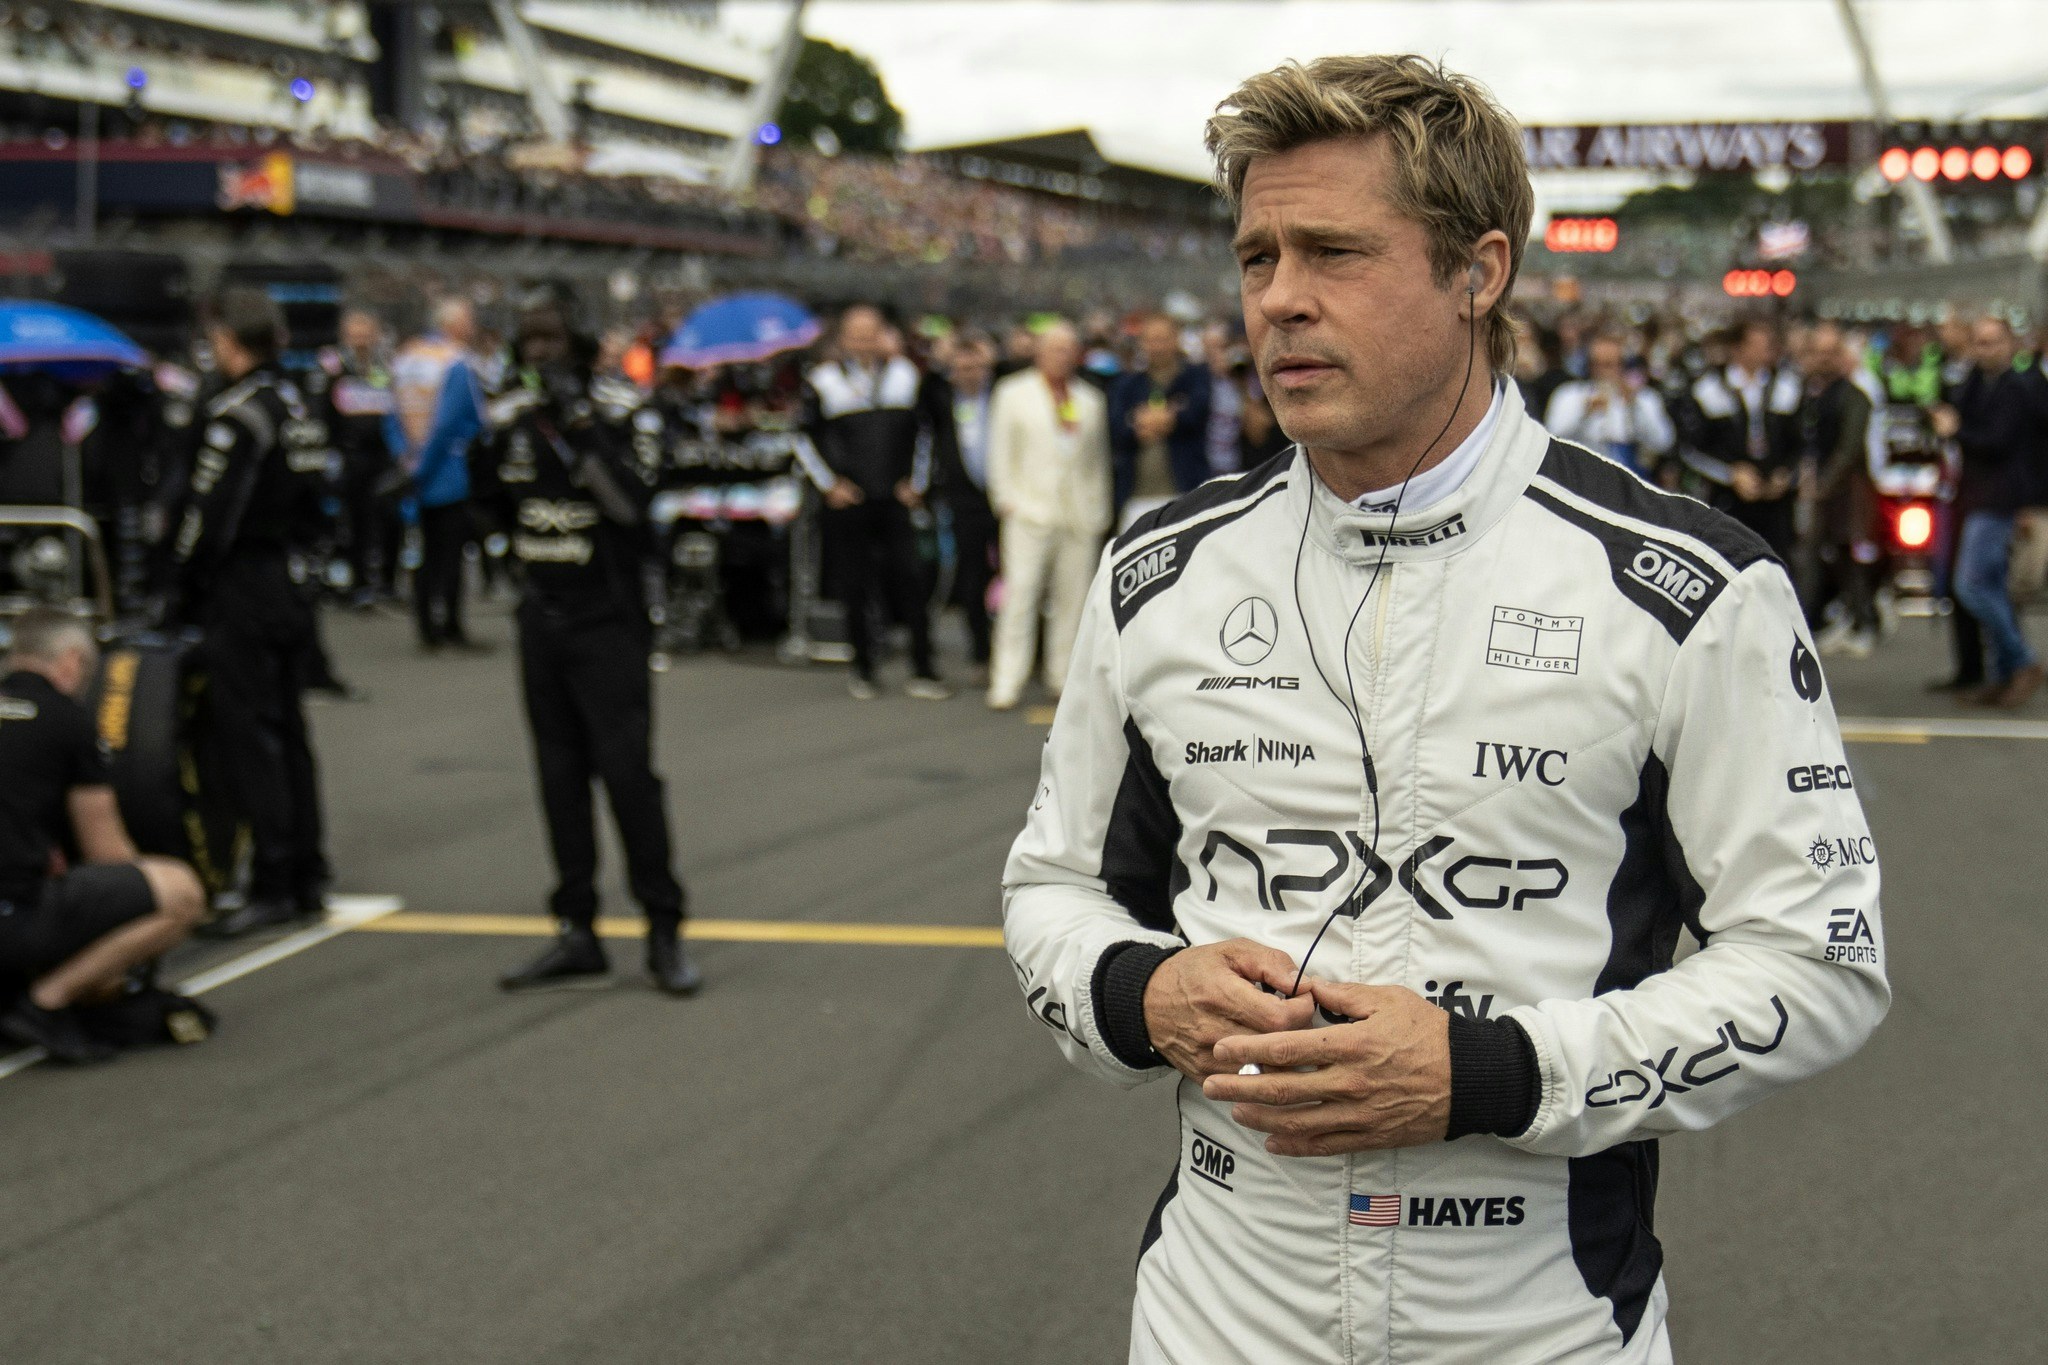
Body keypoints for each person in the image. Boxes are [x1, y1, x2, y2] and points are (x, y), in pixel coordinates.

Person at [1002, 55, 1888, 1365]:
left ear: (1479, 273)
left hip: (1539, 1326)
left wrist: (1491, 1073)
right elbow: (1055, 888)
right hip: (1213, 1317)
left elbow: (1819, 961)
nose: (1280, 299)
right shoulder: (1158, 575)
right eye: (1256, 259)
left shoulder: (1687, 590)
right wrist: (1143, 994)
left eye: (1334, 252)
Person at [484, 302, 700, 995]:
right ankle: (576, 928)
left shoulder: (622, 413)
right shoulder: (510, 419)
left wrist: (581, 429)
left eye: (552, 340)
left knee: (629, 777)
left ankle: (663, 928)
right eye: (530, 341)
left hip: (609, 622)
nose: (541, 353)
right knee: (558, 778)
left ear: (577, 344)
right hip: (541, 618)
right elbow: (489, 502)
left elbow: (634, 507)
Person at [163, 287, 332, 938]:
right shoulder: (299, 404)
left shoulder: (237, 416)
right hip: (292, 583)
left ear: (229, 343)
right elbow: (323, 505)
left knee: (251, 735)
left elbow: (208, 518)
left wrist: (177, 589)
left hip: (245, 587)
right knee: (290, 729)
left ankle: (274, 878)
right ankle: (307, 872)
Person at [0, 612, 206, 1063]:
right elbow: (107, 852)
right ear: (72, 662)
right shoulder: (67, 720)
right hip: (13, 918)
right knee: (179, 891)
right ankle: (45, 1003)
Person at [795, 304, 954, 701]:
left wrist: (916, 484)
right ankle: (863, 668)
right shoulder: (824, 381)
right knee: (854, 585)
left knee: (911, 580)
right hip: (850, 502)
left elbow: (926, 433)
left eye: (871, 334)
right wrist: (830, 485)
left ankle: (923, 668)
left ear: (883, 335)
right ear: (843, 339)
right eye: (856, 335)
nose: (864, 342)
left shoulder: (906, 375)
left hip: (896, 500)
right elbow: (802, 438)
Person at [985, 322, 1112, 712]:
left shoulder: (1090, 399)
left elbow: (1097, 461)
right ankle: (1007, 679)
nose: (1062, 357)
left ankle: (1062, 677)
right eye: (1055, 349)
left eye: (1069, 350)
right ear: (1039, 353)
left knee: (1072, 601)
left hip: (1078, 515)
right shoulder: (1012, 393)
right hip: (1028, 512)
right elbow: (999, 451)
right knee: (1020, 598)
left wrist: (1099, 507)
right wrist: (1006, 500)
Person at [1931, 316, 2048, 708]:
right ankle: (2004, 674)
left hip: (2000, 499)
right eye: (1980, 342)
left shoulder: (2017, 387)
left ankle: (2022, 661)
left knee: (1973, 586)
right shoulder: (1977, 383)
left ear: (2010, 343)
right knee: (1991, 586)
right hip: (1975, 495)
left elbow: (1998, 442)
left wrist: (1955, 430)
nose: (1987, 350)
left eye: (1994, 341)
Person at [393, 298, 487, 652]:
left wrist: (407, 462)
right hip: (447, 472)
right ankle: (450, 626)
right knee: (450, 555)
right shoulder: (456, 362)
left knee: (422, 552)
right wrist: (427, 464)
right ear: (454, 325)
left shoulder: (407, 358)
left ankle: (425, 626)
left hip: (412, 469)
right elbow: (454, 421)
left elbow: (392, 414)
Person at [1679, 319, 1804, 558]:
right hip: (1728, 503)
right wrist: (1730, 474)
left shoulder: (1787, 387)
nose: (1764, 350)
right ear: (1737, 348)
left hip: (1776, 506)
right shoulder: (1708, 390)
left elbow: (1800, 444)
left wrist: (1786, 474)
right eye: (1756, 344)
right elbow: (1691, 450)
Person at [1801, 322, 1881, 656]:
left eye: (1830, 352)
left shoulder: (1854, 396)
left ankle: (1864, 621)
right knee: (1827, 556)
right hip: (1827, 488)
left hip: (1849, 490)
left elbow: (1849, 448)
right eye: (1818, 352)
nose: (1824, 359)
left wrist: (1824, 484)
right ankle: (1843, 617)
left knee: (1849, 555)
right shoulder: (1813, 394)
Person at [319, 308, 402, 609]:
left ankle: (387, 583)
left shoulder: (387, 364)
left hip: (384, 456)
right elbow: (321, 410)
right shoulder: (333, 366)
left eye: (366, 334)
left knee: (390, 518)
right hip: (350, 456)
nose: (361, 340)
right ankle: (358, 585)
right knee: (354, 521)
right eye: (355, 334)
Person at [1108, 314, 1212, 527]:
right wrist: (1144, 425)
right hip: (1136, 496)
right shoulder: (1127, 385)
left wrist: (1159, 419)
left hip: (1187, 493)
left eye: (1163, 339)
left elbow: (1196, 414)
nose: (1157, 347)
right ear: (1141, 343)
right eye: (1151, 340)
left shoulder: (1196, 378)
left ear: (1176, 339)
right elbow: (1117, 429)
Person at [941, 331, 1000, 680]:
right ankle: (980, 649)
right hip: (966, 501)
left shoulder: (1002, 397)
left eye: (976, 367)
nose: (970, 375)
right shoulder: (944, 403)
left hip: (1004, 497)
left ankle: (1017, 648)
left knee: (1015, 574)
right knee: (972, 575)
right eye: (962, 368)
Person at [1543, 333, 1675, 479]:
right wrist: (1584, 413)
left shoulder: (1644, 398)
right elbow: (1552, 436)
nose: (1602, 371)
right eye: (1596, 364)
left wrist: (1634, 407)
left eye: (1609, 365)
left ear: (1622, 365)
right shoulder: (1569, 394)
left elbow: (1664, 442)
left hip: (1631, 475)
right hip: (1582, 473)